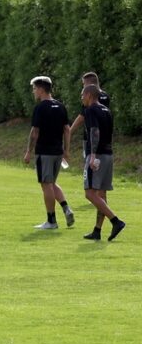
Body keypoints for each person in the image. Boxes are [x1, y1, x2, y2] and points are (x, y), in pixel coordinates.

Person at [23, 76, 74, 229]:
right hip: (58, 152)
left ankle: (51, 221)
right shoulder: (60, 106)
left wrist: (28, 151)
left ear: (41, 89)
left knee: (46, 185)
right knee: (51, 183)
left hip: (44, 152)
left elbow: (35, 132)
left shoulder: (40, 108)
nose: (33, 92)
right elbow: (67, 130)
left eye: (34, 89)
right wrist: (67, 150)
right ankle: (66, 208)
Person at [80, 84, 125, 241]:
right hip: (108, 154)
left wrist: (92, 155)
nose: (82, 98)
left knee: (89, 193)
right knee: (101, 193)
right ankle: (97, 230)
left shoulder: (91, 110)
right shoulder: (107, 110)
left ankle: (116, 221)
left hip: (97, 155)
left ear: (90, 95)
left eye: (82, 95)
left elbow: (94, 131)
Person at [69, 71, 110, 157]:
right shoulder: (105, 96)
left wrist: (69, 131)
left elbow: (82, 116)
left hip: (91, 135)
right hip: (105, 137)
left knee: (90, 162)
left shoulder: (90, 97)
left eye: (84, 84)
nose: (83, 87)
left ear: (89, 84)